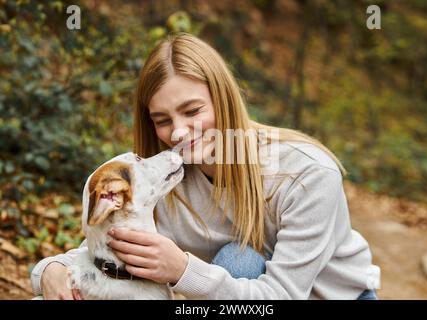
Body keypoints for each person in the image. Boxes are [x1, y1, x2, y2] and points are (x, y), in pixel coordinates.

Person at [31, 32, 380, 300]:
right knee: (238, 261)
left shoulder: (305, 173)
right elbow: (105, 250)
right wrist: (52, 269)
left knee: (237, 260)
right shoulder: (168, 178)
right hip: (241, 295)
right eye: (162, 119)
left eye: (193, 111)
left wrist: (183, 270)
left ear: (224, 99)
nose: (179, 132)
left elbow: (280, 296)